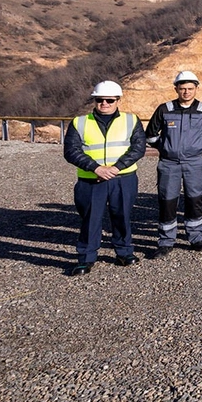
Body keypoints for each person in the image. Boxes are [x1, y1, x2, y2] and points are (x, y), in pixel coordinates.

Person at [62, 80, 146, 276]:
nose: (104, 103)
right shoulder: (80, 122)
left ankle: (124, 253)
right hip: (91, 180)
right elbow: (71, 151)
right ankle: (86, 258)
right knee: (90, 220)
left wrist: (116, 168)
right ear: (95, 100)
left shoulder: (131, 120)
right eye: (100, 100)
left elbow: (138, 148)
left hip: (123, 178)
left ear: (118, 100)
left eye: (109, 100)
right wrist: (96, 168)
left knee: (122, 216)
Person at [144, 70, 202, 256]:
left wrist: (197, 148)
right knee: (168, 201)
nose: (186, 92)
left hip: (194, 163)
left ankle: (197, 238)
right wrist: (167, 148)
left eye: (190, 88)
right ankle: (166, 241)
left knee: (195, 200)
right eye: (182, 88)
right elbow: (151, 135)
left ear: (196, 89)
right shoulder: (165, 109)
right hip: (169, 164)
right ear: (176, 88)